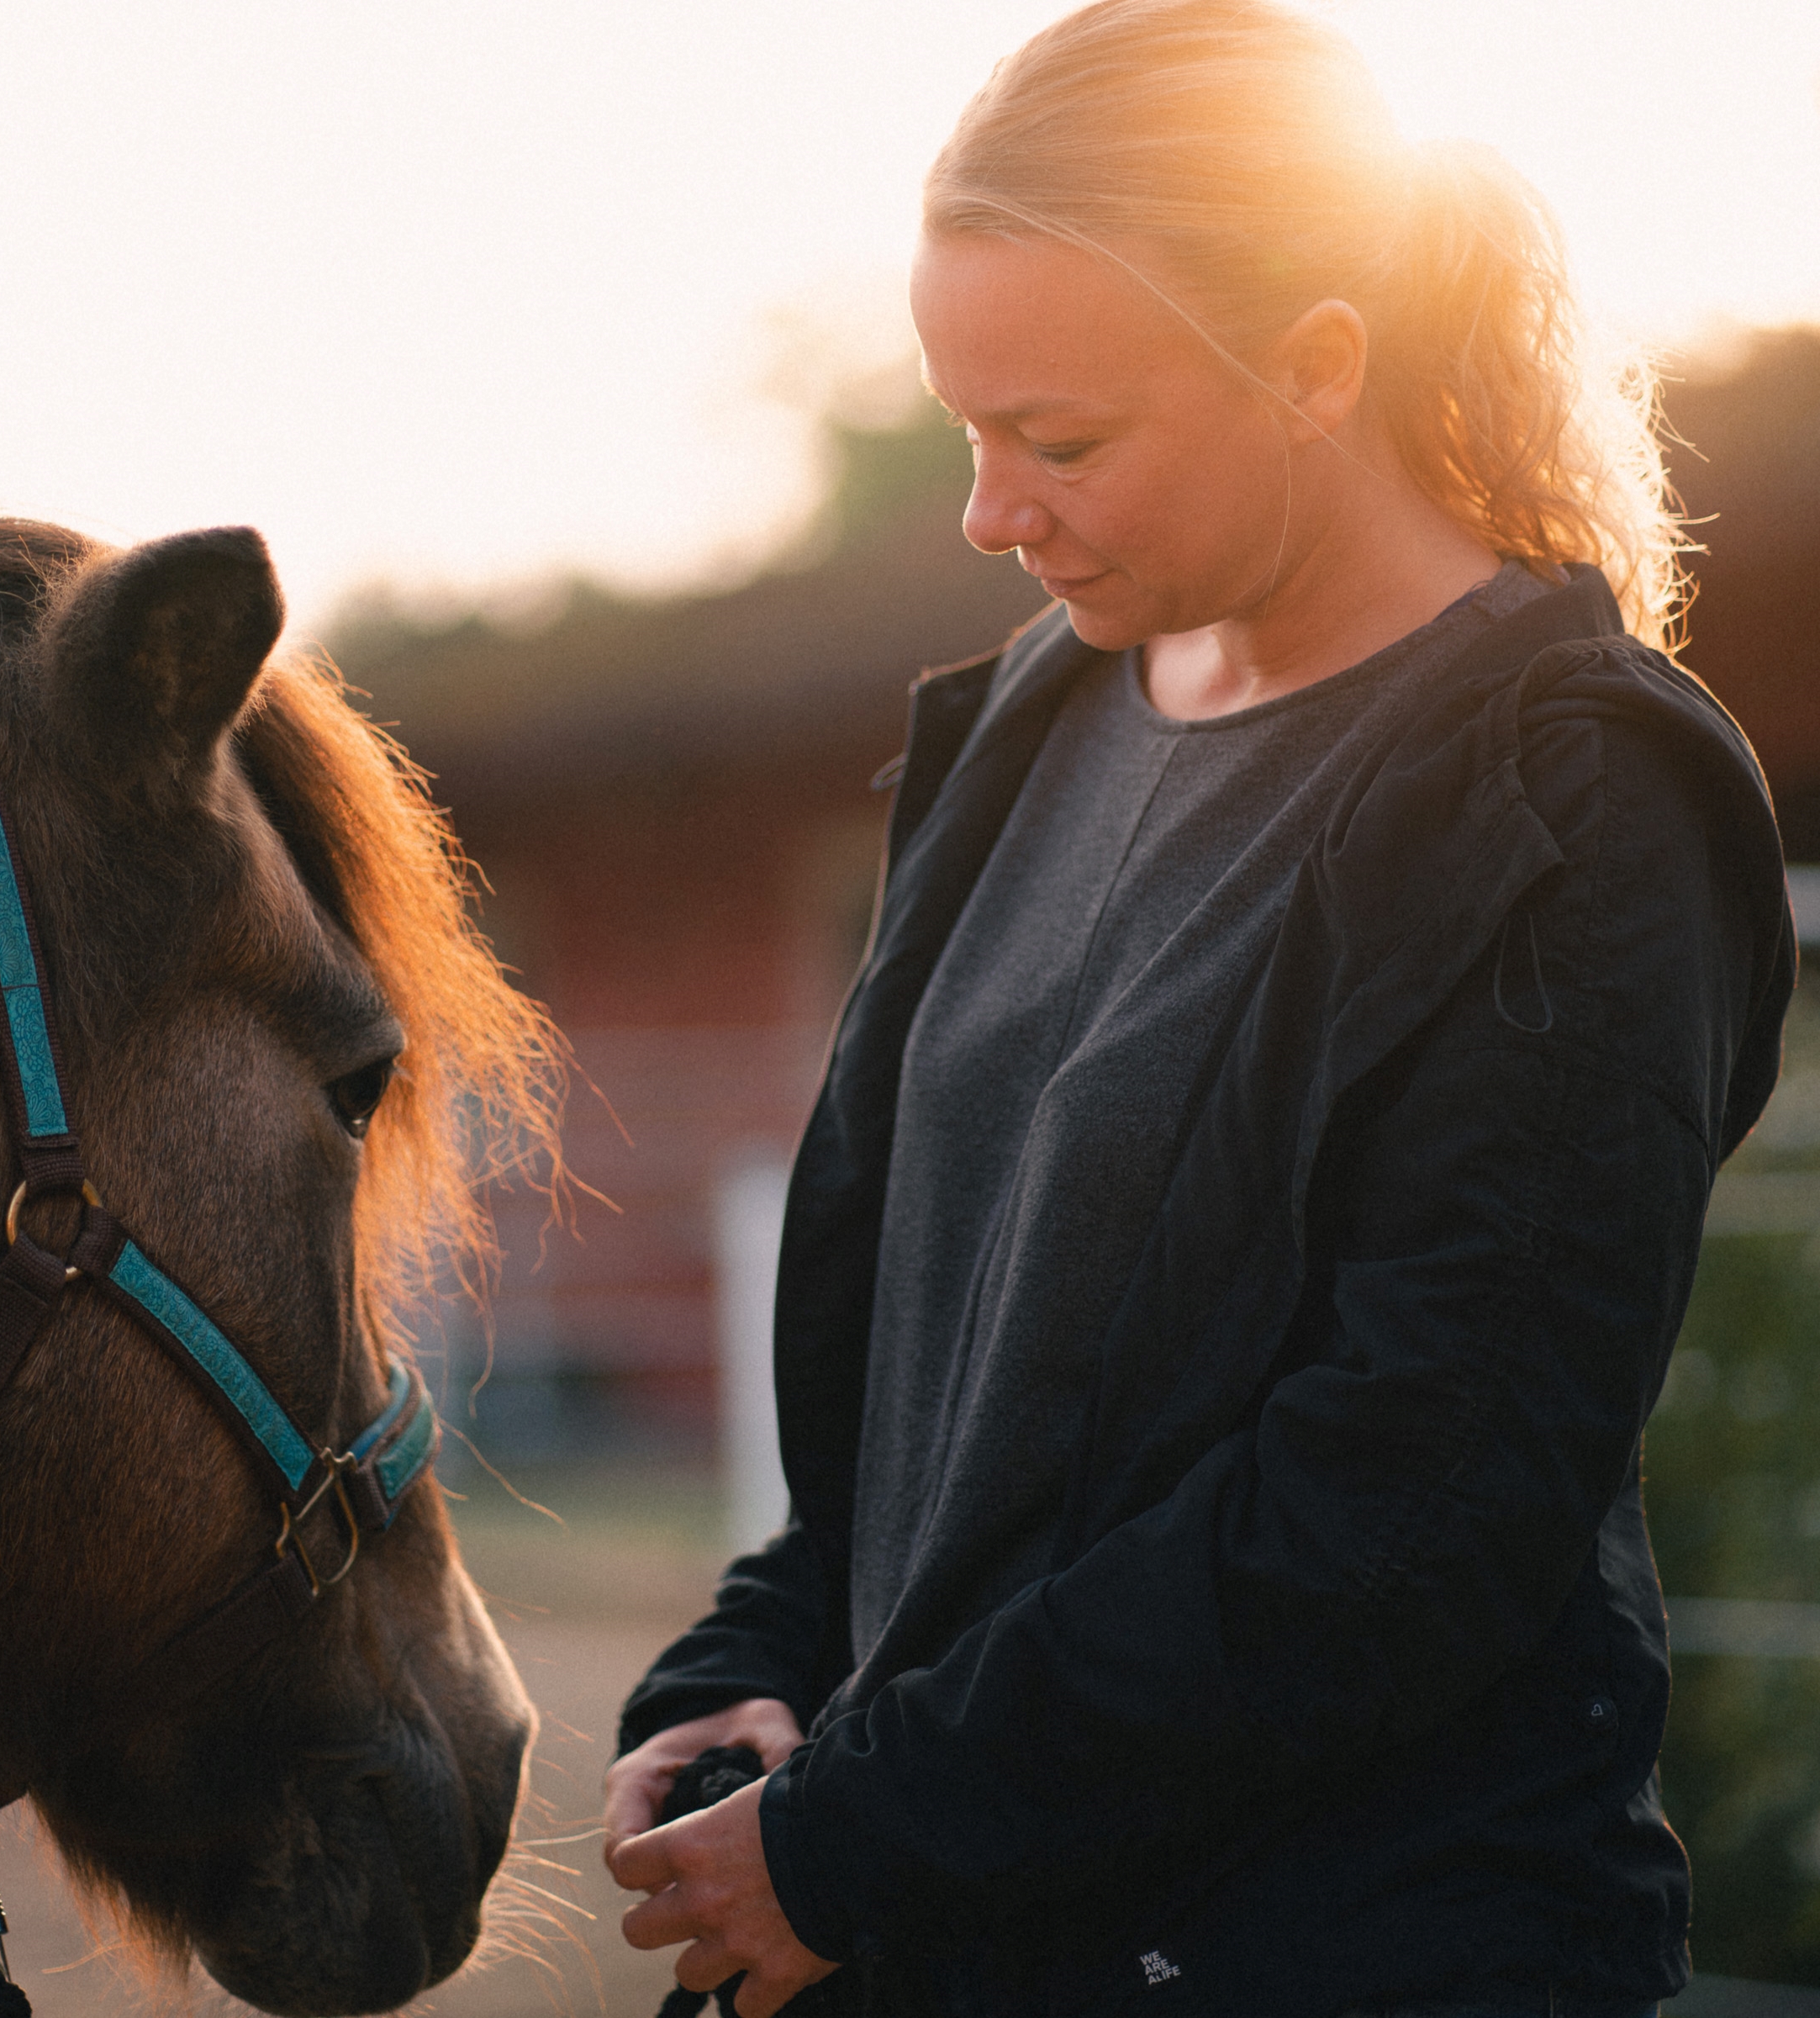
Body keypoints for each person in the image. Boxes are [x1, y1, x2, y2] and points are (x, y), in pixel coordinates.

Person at [602, 4, 1796, 2014]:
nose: (988, 509)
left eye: (1059, 440)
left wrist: (866, 1838)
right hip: (955, 1935)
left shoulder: (1574, 797)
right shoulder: (1024, 728)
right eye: (968, 425)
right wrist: (760, 1662)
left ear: (1319, 364)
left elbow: (1414, 1509)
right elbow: (933, 1403)